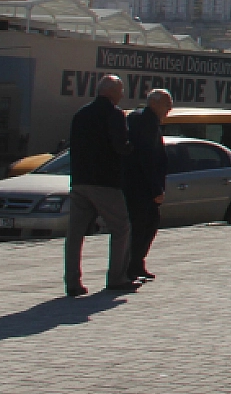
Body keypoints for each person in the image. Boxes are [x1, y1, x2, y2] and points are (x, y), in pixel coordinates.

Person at [64, 75, 135, 296]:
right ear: (112, 92)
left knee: (75, 233)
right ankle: (117, 278)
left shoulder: (80, 114)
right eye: (121, 90)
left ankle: (73, 282)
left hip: (80, 180)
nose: (123, 94)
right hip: (105, 181)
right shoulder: (114, 114)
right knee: (121, 227)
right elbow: (119, 146)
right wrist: (134, 146)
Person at [123, 88, 172, 282]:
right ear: (154, 103)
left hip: (135, 184)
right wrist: (156, 189)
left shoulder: (139, 118)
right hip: (141, 186)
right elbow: (147, 158)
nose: (170, 108)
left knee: (146, 224)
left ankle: (137, 263)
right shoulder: (147, 122)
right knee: (143, 225)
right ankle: (132, 265)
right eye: (166, 104)